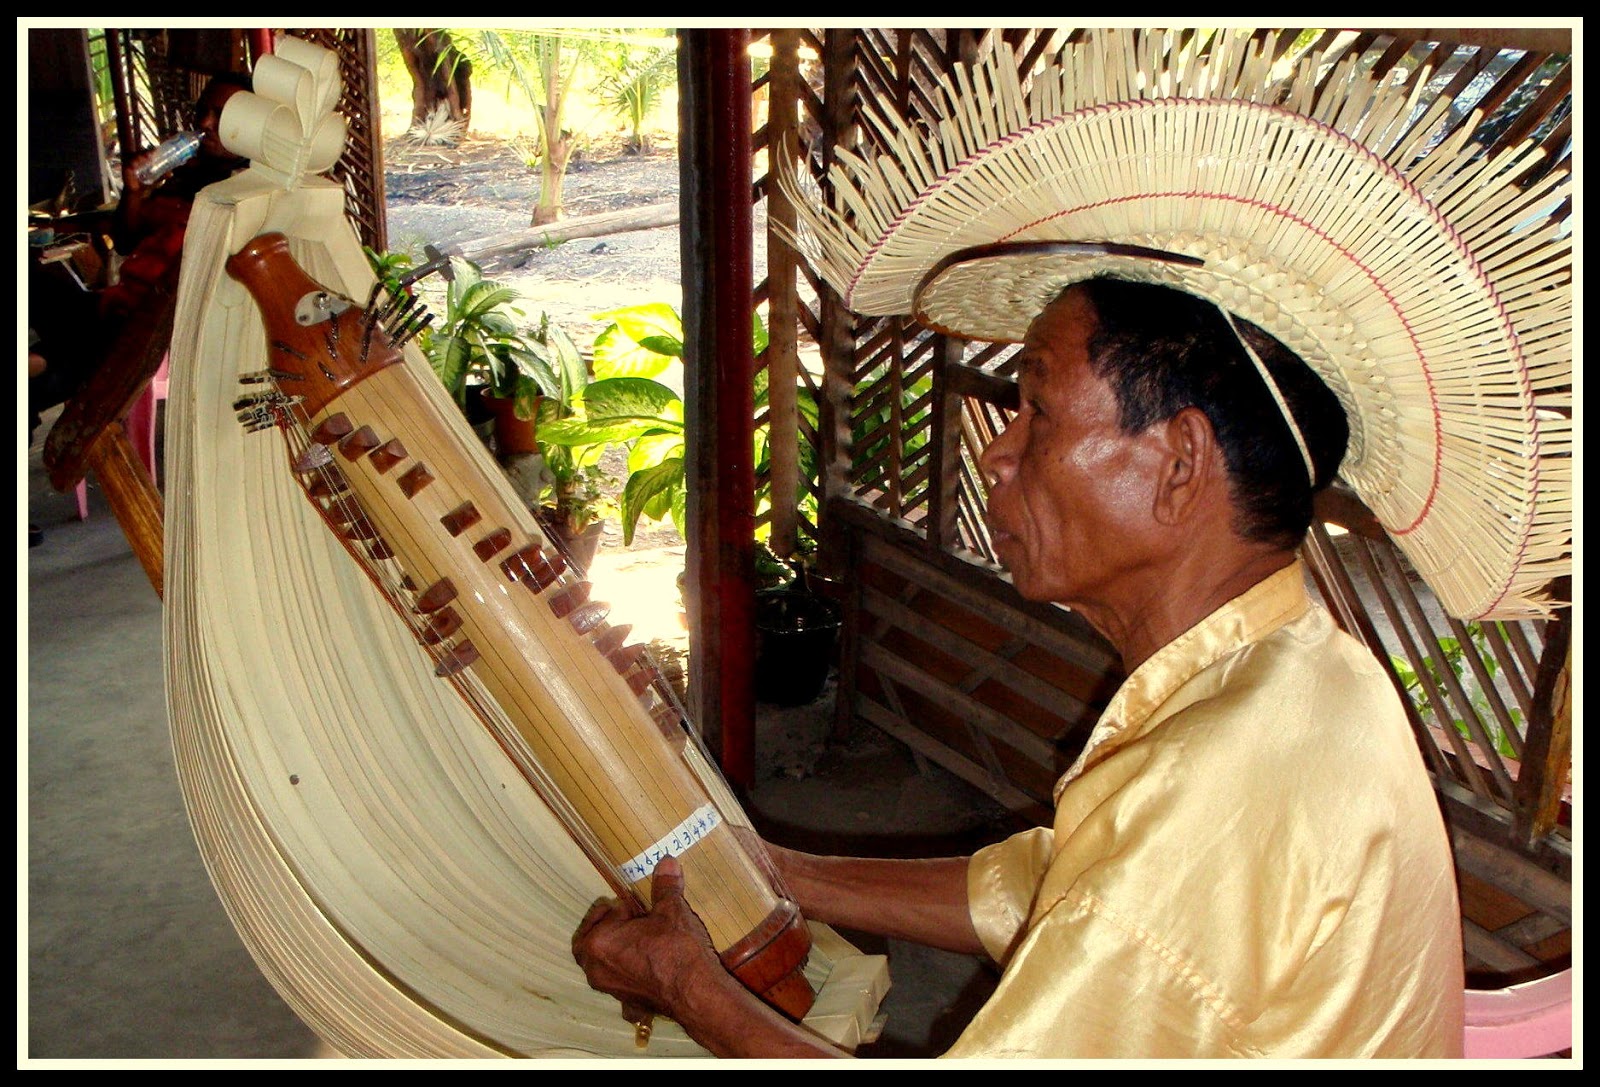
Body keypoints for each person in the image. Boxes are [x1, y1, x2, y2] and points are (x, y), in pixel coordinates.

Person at [570, 278, 1465, 1058]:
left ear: (1180, 463)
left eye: (1039, 409)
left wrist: (687, 986)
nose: (998, 452)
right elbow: (1061, 885)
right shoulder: (1300, 667)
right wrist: (773, 870)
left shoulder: (1224, 776)